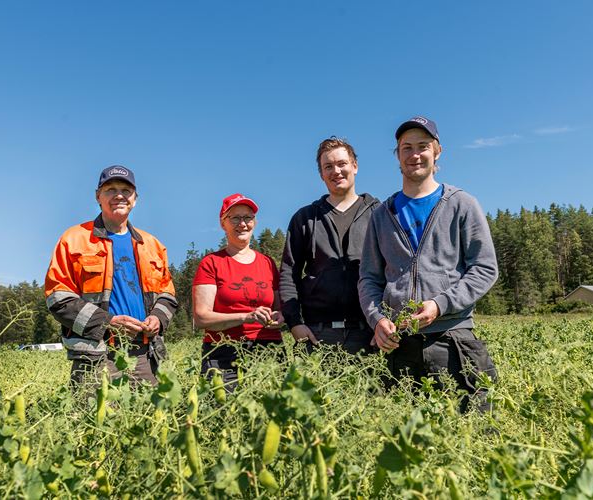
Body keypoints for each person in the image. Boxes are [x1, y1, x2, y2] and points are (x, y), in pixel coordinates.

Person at [358, 116, 499, 412]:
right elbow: (369, 279)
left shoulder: (461, 204)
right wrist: (377, 320)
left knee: (471, 427)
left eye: (423, 146)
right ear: (397, 155)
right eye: (406, 147)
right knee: (403, 431)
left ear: (437, 151)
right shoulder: (382, 215)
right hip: (399, 343)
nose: (415, 154)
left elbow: (484, 268)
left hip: (453, 339)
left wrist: (439, 304)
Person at [45, 165, 177, 389]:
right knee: (93, 412)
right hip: (96, 355)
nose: (119, 195)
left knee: (149, 411)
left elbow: (168, 295)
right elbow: (58, 298)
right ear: (98, 196)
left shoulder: (152, 244)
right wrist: (108, 322)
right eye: (111, 190)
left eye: (126, 190)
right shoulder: (74, 239)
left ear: (135, 199)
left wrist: (157, 318)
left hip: (145, 355)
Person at [280, 137, 380, 354]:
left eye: (342, 164)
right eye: (328, 166)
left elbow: (394, 270)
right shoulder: (305, 218)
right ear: (321, 174)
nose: (336, 171)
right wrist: (294, 323)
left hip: (370, 333)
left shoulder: (379, 214)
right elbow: (288, 274)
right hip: (317, 334)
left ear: (355, 166)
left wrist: (384, 322)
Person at [192, 193, 284, 392]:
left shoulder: (267, 263)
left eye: (248, 218)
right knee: (223, 407)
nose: (242, 224)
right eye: (235, 218)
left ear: (254, 222)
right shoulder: (211, 263)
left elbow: (279, 307)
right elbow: (201, 317)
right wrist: (246, 317)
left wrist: (279, 317)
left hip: (269, 349)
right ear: (223, 223)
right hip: (223, 352)